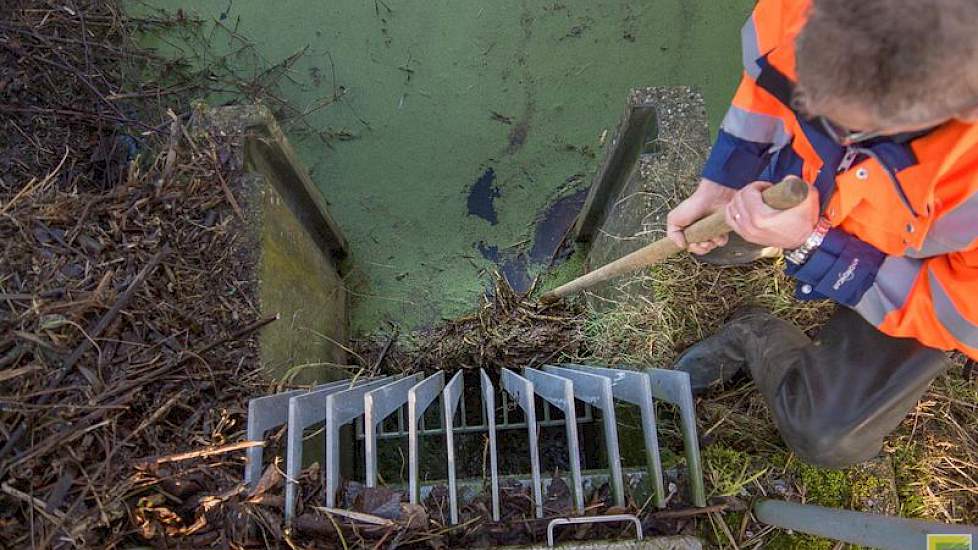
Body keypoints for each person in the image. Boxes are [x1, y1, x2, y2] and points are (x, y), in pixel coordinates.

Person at [666, 0, 978, 468]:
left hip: (916, 277)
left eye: (841, 122)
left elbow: (961, 315)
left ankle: (753, 334)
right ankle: (777, 233)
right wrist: (726, 178)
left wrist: (816, 243)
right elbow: (766, 79)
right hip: (818, 184)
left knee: (829, 437)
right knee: (708, 238)